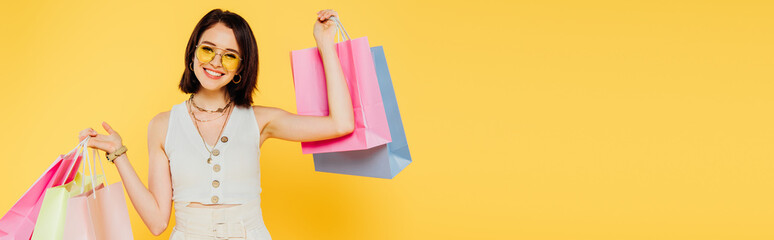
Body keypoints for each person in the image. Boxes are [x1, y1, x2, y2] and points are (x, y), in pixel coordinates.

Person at [78, 8, 353, 239]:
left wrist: (325, 45)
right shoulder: (162, 125)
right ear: (193, 53)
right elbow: (157, 223)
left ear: (241, 68)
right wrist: (119, 154)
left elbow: (341, 124)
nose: (216, 62)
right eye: (208, 50)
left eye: (230, 55)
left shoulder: (260, 120)